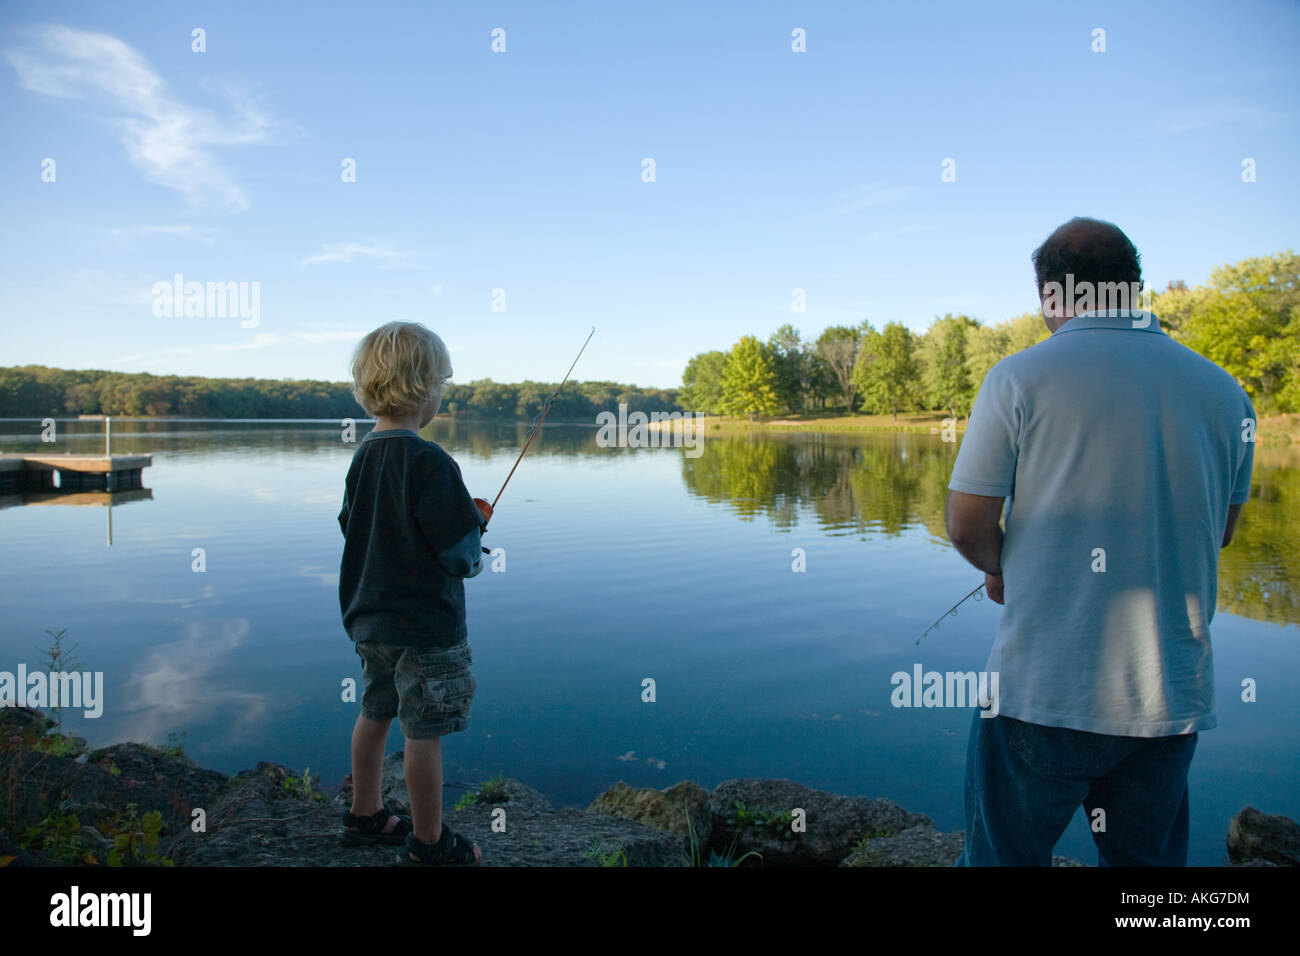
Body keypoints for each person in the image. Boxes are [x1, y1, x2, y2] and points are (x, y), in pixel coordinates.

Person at [945, 217, 1255, 866]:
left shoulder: (1019, 378)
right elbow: (1218, 532)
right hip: (1167, 697)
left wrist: (1003, 569)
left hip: (1041, 692)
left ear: (1049, 296)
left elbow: (969, 525)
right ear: (1135, 287)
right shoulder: (1227, 394)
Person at [337, 321, 492, 865]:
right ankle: (429, 843)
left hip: (370, 621)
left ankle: (365, 812)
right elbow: (459, 555)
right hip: (426, 627)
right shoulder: (432, 462)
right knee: (424, 730)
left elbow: (351, 526)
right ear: (425, 389)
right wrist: (475, 531)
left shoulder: (363, 458)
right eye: (441, 385)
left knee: (375, 709)